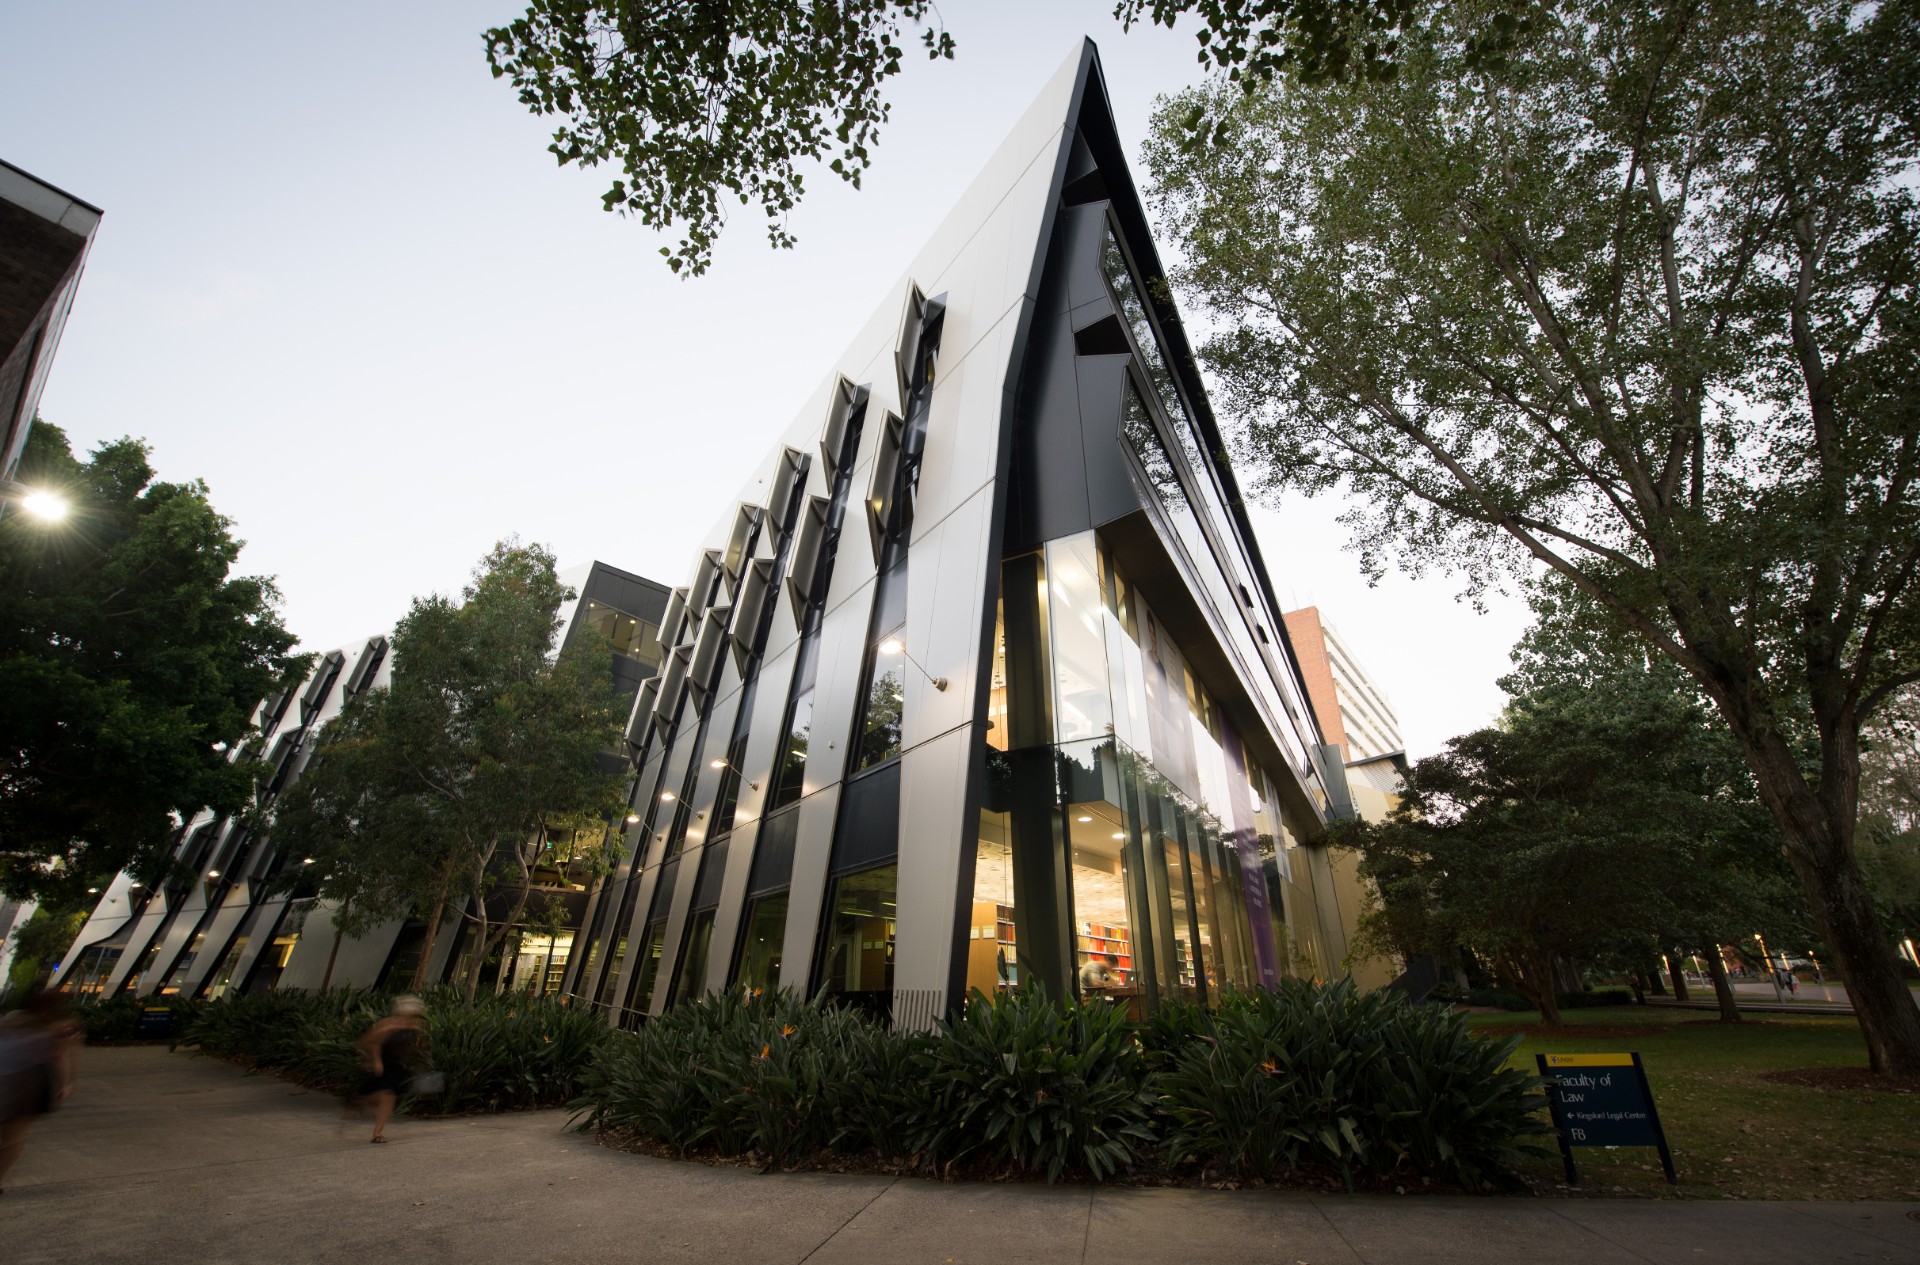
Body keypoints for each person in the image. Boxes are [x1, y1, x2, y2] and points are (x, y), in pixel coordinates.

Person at [0, 991, 81, 1194]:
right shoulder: (60, 1028)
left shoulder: (15, 1019)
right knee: (15, 1136)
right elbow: (61, 1057)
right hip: (30, 1083)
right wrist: (66, 1084)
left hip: (7, 1077)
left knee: (9, 1132)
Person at [351, 996, 424, 1144]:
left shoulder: (416, 1026)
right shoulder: (388, 1025)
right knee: (387, 1098)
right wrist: (375, 1061)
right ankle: (375, 1129)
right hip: (383, 1064)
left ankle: (365, 1111)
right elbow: (370, 1043)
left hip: (398, 1067)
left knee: (388, 1098)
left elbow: (414, 1046)